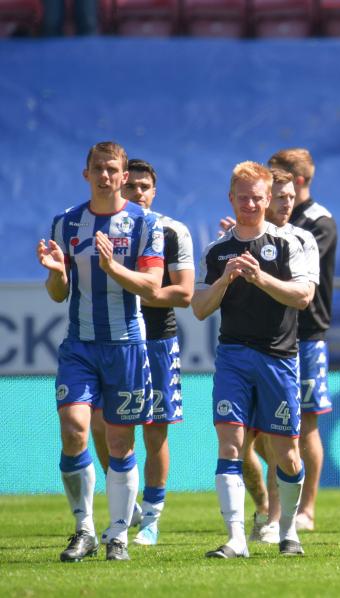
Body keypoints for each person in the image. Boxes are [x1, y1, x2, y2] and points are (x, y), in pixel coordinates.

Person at [39, 141, 165, 562]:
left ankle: (118, 535)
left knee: (119, 443)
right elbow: (58, 295)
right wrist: (57, 274)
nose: (106, 176)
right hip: (80, 344)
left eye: (113, 169)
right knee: (75, 429)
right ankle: (84, 529)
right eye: (98, 168)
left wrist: (114, 269)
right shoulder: (67, 223)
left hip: (127, 345)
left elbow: (153, 286)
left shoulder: (145, 224)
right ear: (86, 173)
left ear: (124, 176)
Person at [193, 162, 315, 558]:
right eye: (242, 197)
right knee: (230, 444)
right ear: (231, 198)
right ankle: (235, 538)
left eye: (257, 197)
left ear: (268, 199)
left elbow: (302, 297)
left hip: (278, 357)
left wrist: (260, 277)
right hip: (232, 355)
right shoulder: (216, 251)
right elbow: (198, 308)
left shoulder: (288, 244)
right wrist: (226, 279)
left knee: (288, 454)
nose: (250, 204)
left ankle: (288, 531)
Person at [119, 159, 194, 546]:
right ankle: (126, 503)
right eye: (130, 186)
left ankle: (151, 519)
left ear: (155, 190)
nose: (138, 193)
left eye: (144, 186)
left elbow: (183, 293)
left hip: (157, 340)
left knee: (155, 431)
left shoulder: (172, 230)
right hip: (114, 339)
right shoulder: (106, 230)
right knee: (104, 426)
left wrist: (137, 289)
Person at [268, 148, 338, 533]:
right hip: (269, 332)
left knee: (305, 424)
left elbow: (293, 267)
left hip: (307, 334)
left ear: (295, 181)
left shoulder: (318, 222)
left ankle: (306, 508)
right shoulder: (271, 217)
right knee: (266, 426)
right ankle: (271, 504)